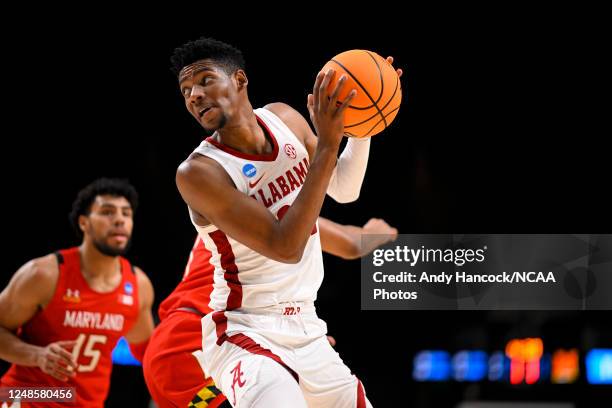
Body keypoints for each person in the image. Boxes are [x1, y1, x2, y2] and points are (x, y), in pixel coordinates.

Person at [173, 37, 401, 407]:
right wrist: (329, 143)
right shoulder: (199, 172)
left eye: (204, 80)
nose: (194, 95)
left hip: (307, 327)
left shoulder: (284, 117)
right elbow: (286, 246)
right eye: (186, 90)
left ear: (240, 80)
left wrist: (361, 126)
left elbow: (343, 188)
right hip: (243, 330)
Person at [143, 217, 398, 408]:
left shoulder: (248, 200)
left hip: (192, 342)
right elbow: (352, 244)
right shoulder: (260, 206)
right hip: (197, 342)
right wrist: (375, 232)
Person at [0, 178, 155, 408]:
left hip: (86, 403)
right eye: (107, 212)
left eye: (126, 213)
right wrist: (37, 356)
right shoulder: (43, 274)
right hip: (27, 397)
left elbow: (148, 351)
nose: (120, 220)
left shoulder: (138, 285)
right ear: (84, 223)